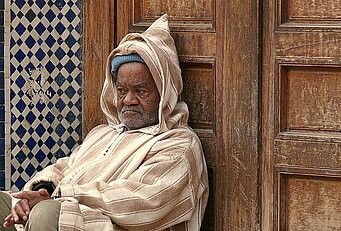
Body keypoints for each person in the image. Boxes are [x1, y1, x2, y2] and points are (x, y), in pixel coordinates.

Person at [0, 14, 209, 231]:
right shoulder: (103, 134)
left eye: (140, 91)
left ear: (165, 94)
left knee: (47, 215)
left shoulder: (179, 145)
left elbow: (142, 202)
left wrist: (62, 195)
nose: (128, 100)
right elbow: (64, 167)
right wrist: (43, 190)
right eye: (122, 90)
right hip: (69, 206)